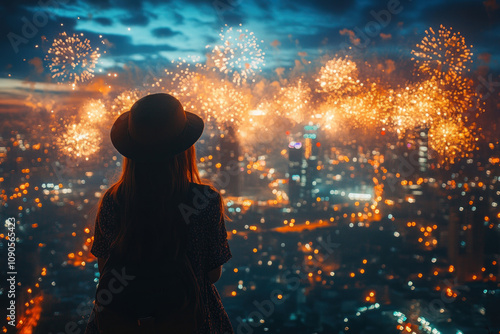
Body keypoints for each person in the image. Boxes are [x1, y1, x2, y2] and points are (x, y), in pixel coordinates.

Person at [84, 93, 234, 334]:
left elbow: (105, 267)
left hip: (121, 324)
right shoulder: (204, 201)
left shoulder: (113, 201)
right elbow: (212, 273)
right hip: (189, 320)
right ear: (185, 150)